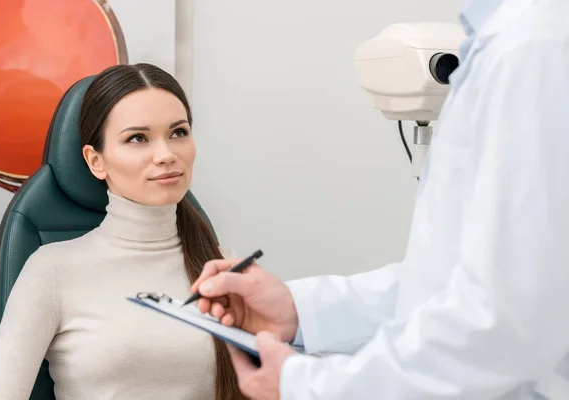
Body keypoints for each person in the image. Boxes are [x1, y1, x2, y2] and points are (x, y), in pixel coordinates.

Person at [190, 0, 569, 398]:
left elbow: (504, 323)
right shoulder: (513, 43)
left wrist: (310, 386)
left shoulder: (532, 47)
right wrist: (300, 311)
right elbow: (450, 284)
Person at [0, 63, 246, 400]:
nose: (166, 155)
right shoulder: (53, 270)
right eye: (137, 138)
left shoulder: (219, 266)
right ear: (95, 161)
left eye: (178, 132)